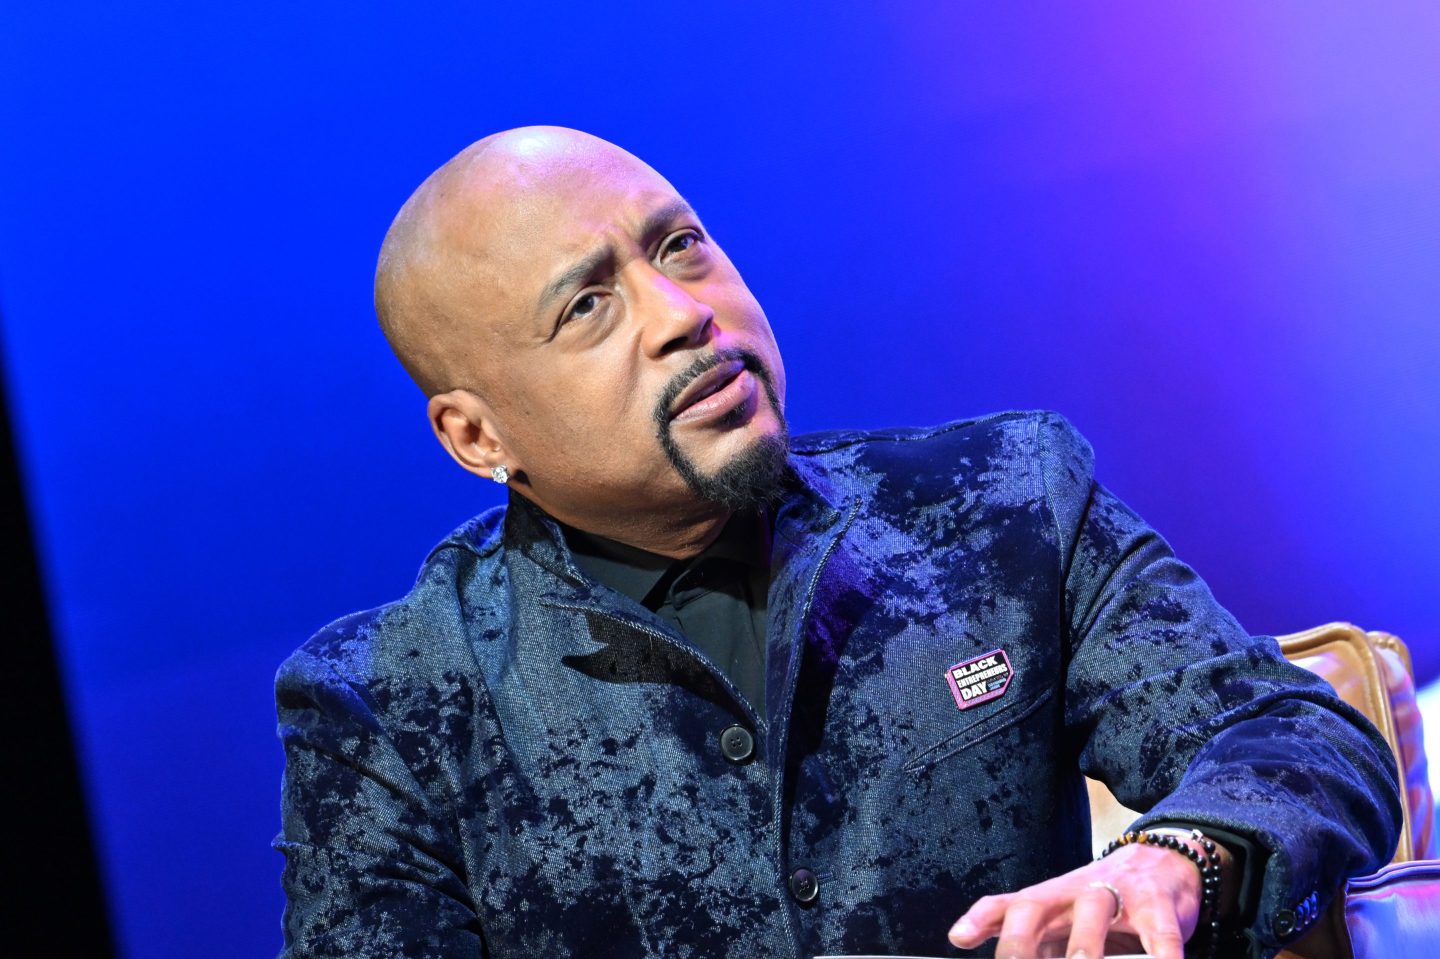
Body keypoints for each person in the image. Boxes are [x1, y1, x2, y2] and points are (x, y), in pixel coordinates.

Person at [274, 126, 1400, 959]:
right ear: (479, 435)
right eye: (587, 307)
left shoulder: (1002, 499)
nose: (680, 312)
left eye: (681, 246)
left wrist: (1180, 857)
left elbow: (1290, 726)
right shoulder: (392, 699)